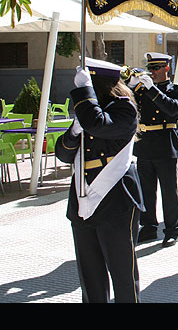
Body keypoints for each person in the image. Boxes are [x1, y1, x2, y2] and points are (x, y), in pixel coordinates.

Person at [56, 58, 144, 303]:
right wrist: (74, 132)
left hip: (115, 199)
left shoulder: (123, 108)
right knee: (90, 276)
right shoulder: (87, 113)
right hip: (82, 200)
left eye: (88, 82)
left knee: (122, 274)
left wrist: (84, 94)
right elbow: (63, 154)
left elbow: (99, 125)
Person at [129, 52, 178, 248]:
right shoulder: (141, 89)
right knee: (146, 190)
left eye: (156, 68)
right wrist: (130, 87)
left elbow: (171, 109)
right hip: (145, 143)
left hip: (165, 143)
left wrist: (152, 89)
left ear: (166, 69)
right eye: (150, 68)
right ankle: (148, 226)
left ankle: (172, 229)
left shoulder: (176, 90)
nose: (152, 72)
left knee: (168, 190)